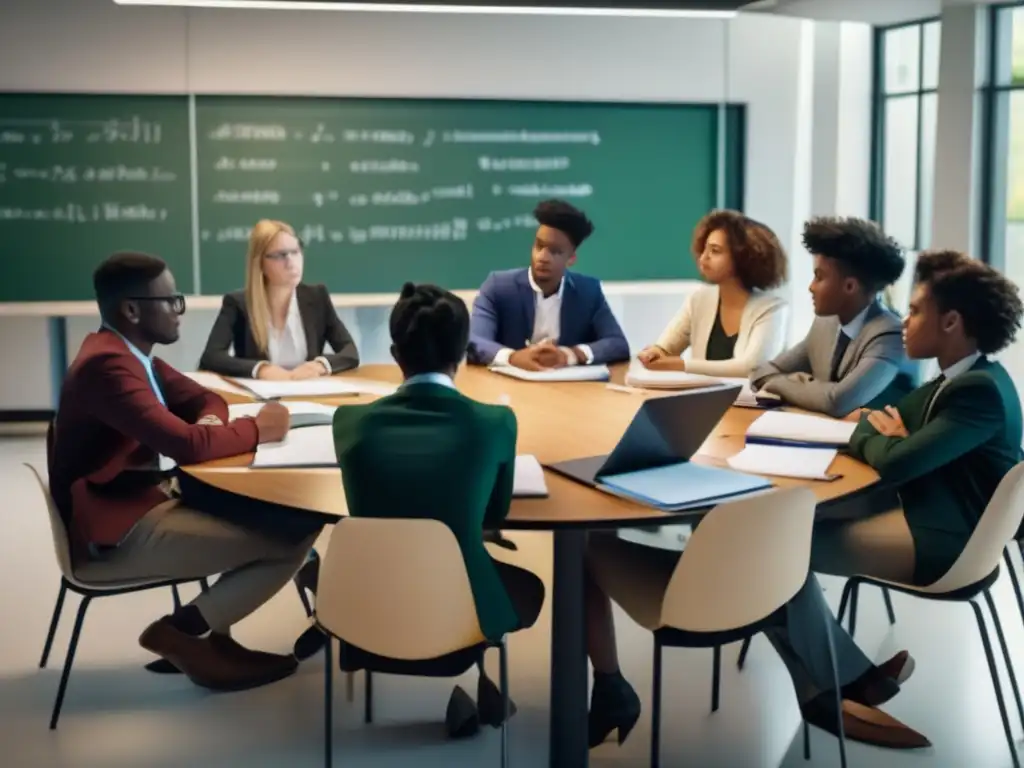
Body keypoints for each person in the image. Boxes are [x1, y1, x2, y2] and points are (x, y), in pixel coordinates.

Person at [50, 252, 320, 692]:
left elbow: (204, 400)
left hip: (140, 497)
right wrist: (258, 429)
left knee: (283, 517)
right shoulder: (109, 366)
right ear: (132, 309)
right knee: (292, 539)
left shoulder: (131, 353)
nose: (181, 309)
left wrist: (209, 428)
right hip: (115, 530)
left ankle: (209, 639)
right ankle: (183, 632)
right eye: (171, 300)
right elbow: (183, 444)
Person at [295, 282, 546, 738]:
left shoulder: (349, 423)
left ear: (395, 353)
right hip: (461, 614)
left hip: (362, 609)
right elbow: (495, 513)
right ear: (463, 353)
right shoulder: (495, 423)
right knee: (526, 586)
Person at [821, 250, 1024, 586]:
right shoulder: (958, 377)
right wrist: (892, 439)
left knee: (791, 546)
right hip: (930, 509)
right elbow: (879, 418)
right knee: (794, 531)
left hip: (950, 539)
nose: (904, 321)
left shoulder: (978, 390)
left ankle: (834, 644)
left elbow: (894, 463)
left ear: (950, 322)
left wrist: (875, 439)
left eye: (915, 311)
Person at [750, 217, 911, 418]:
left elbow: (838, 401)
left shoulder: (889, 334)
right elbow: (761, 373)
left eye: (819, 277)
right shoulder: (825, 323)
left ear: (850, 286)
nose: (811, 287)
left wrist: (790, 382)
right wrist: (804, 385)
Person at [467, 200, 629, 370]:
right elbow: (474, 341)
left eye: (554, 251)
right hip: (507, 390)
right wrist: (513, 357)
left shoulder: (588, 291)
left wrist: (569, 355)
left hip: (567, 391)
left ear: (571, 259)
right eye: (539, 246)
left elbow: (617, 343)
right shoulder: (498, 287)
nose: (542, 257)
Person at [200, 219, 359, 380]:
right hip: (261, 400)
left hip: (310, 396)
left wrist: (319, 365)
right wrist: (260, 369)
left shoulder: (317, 297)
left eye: (295, 251)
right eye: (280, 255)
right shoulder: (238, 303)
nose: (291, 262)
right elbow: (211, 357)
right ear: (260, 263)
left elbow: (350, 351)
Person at [637, 209, 788, 377]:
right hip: (704, 401)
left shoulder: (773, 309)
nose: (703, 258)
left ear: (743, 258)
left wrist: (680, 365)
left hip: (752, 403)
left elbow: (751, 368)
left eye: (715, 251)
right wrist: (655, 353)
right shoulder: (699, 300)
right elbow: (666, 349)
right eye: (704, 249)